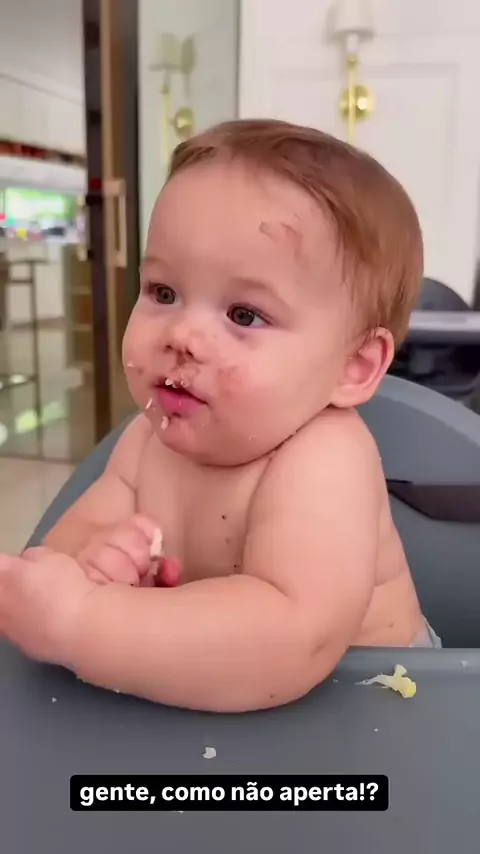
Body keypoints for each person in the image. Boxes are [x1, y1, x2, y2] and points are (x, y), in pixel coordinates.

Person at [0, 119, 441, 712]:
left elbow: (292, 640)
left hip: (384, 712)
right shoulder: (147, 441)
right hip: (224, 710)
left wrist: (85, 621)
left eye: (244, 314)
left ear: (353, 366)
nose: (181, 334)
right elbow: (62, 552)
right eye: (163, 292)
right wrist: (94, 564)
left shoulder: (323, 459)